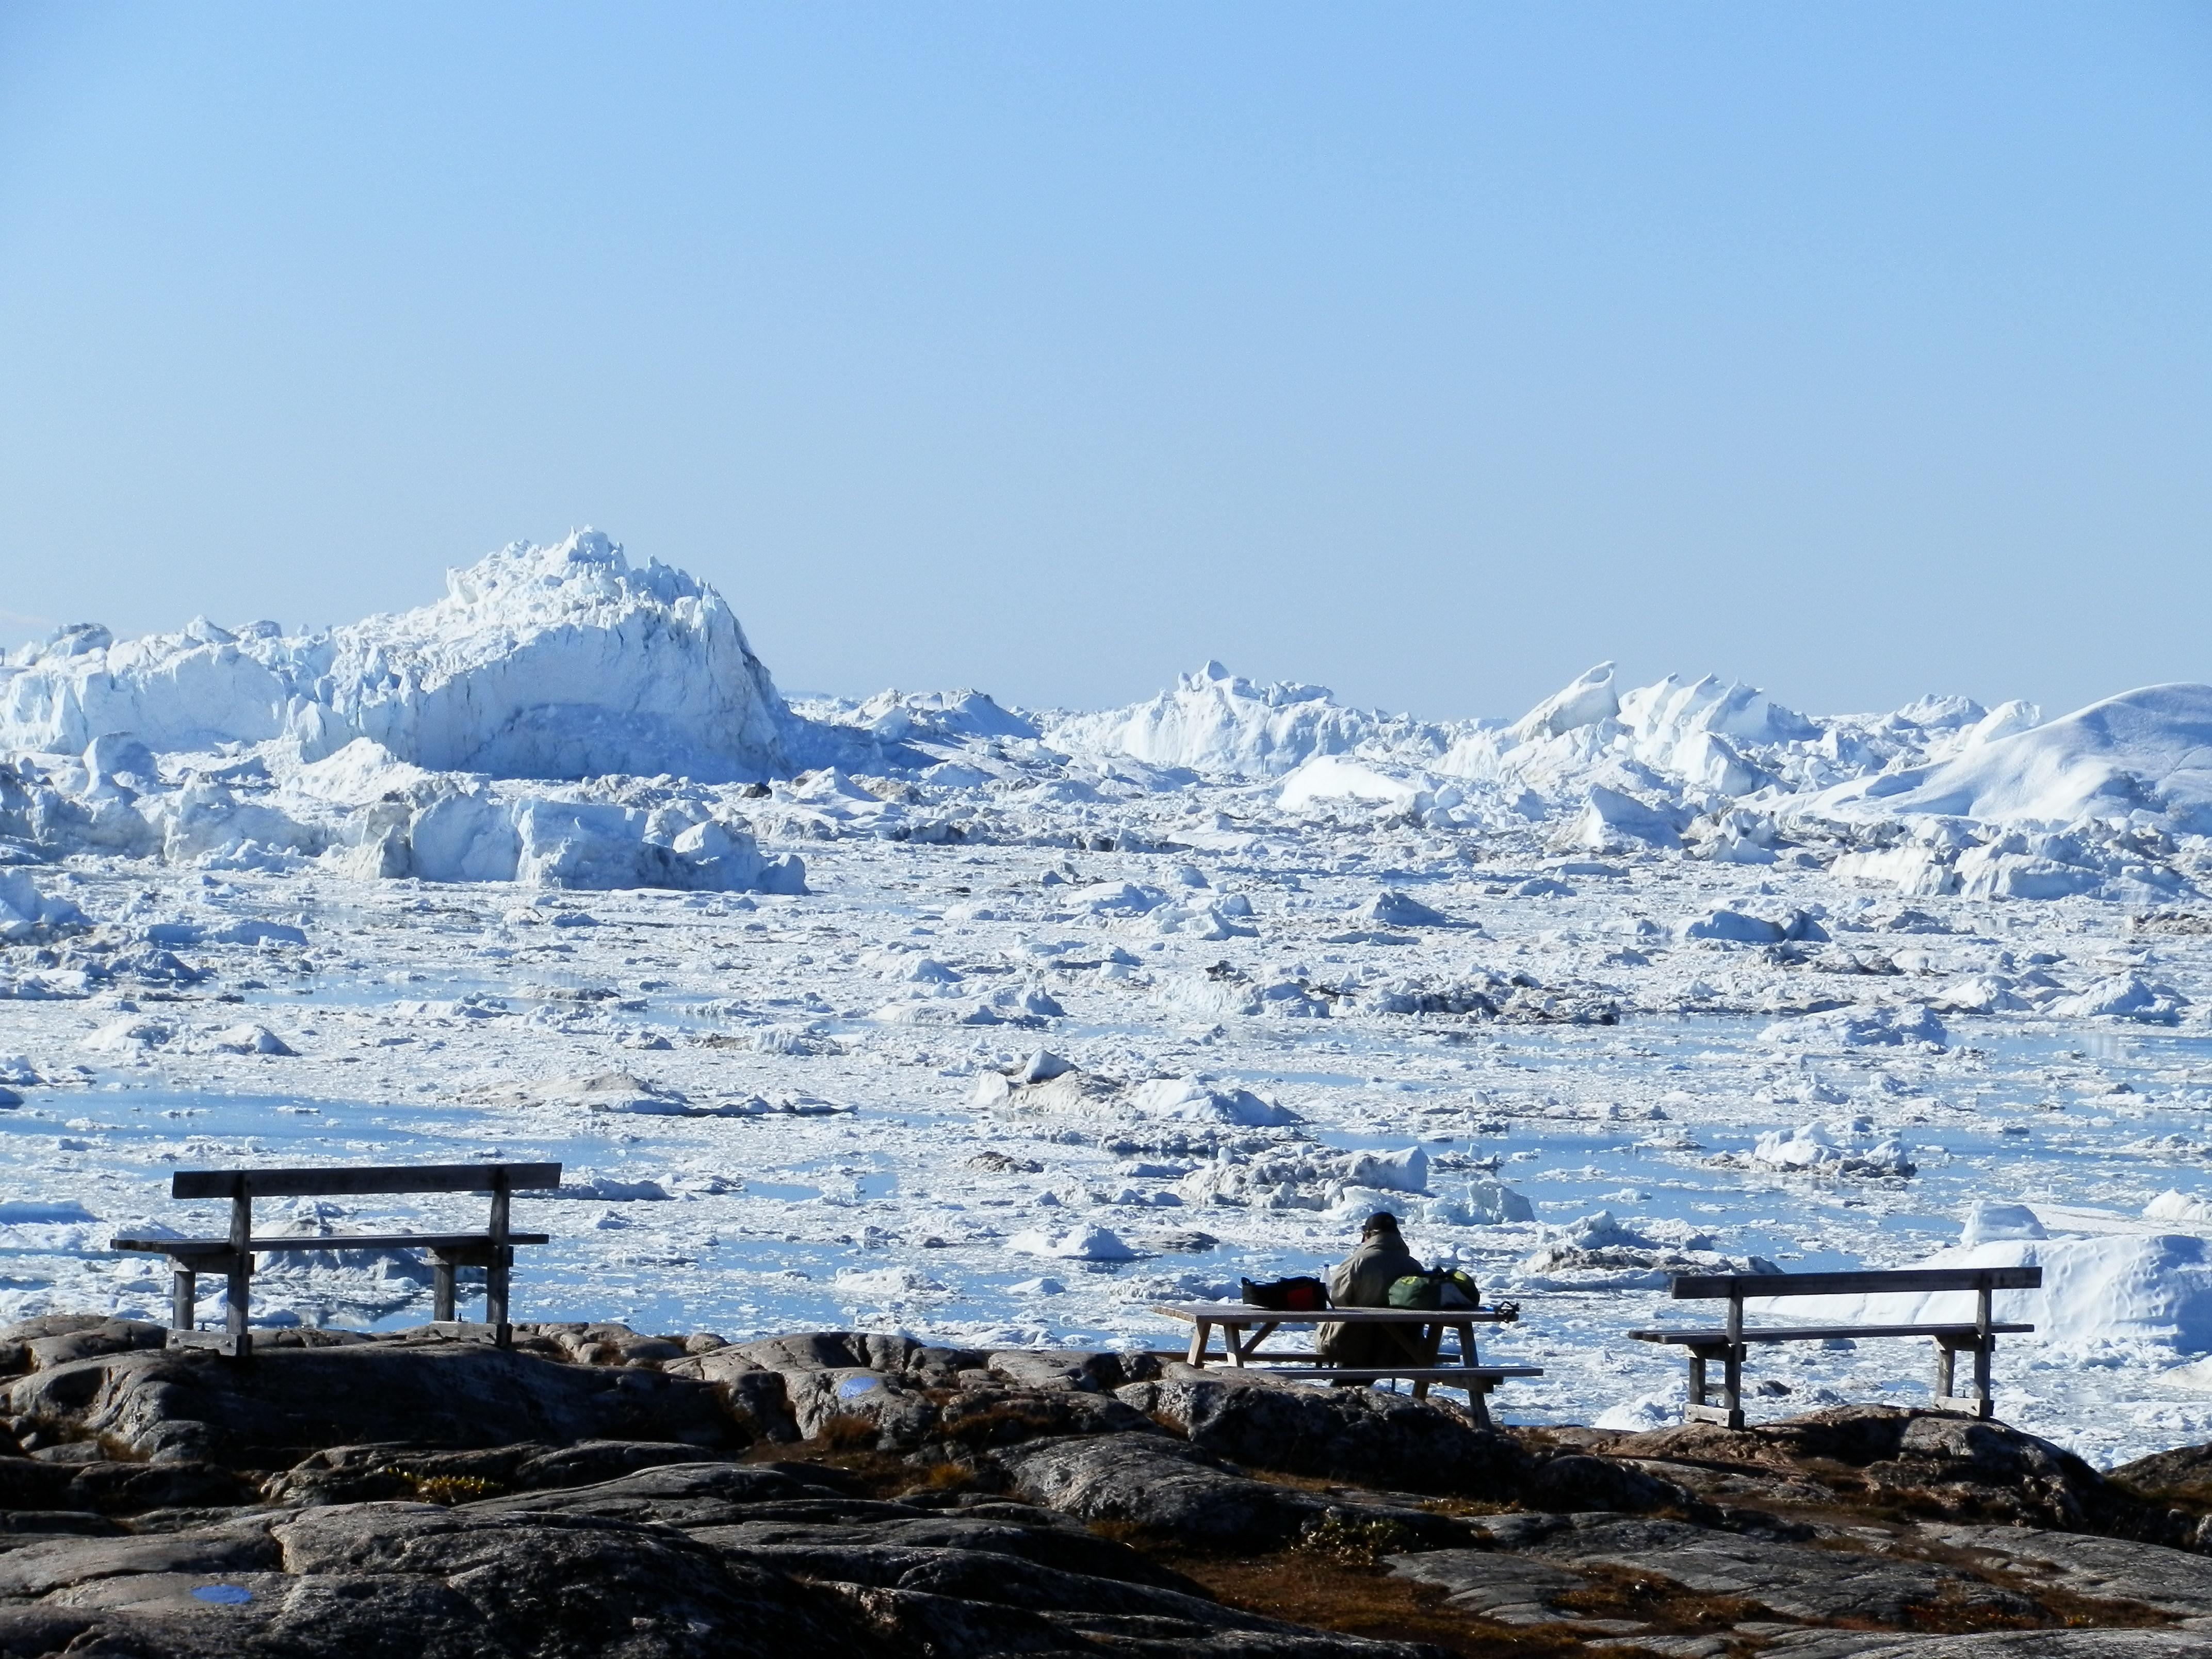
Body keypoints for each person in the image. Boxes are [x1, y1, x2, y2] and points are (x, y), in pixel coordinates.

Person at [1315, 1211, 1421, 1369]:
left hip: (1353, 1345)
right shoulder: (1415, 1267)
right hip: (1403, 1349)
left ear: (1368, 1235)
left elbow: (1336, 1303)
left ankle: (1345, 1383)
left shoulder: (1357, 1264)